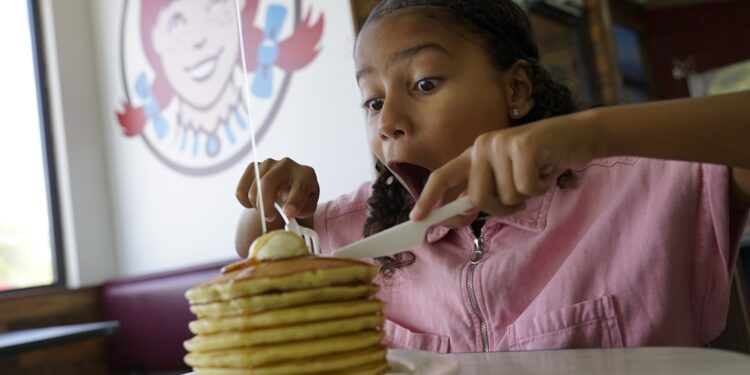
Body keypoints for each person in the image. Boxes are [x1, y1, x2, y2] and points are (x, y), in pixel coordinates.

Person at [235, 0, 750, 353]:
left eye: (425, 83)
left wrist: (591, 134)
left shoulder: (647, 191)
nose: (388, 120)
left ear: (517, 89)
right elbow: (257, 252)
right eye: (373, 100)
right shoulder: (355, 231)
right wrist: (267, 205)